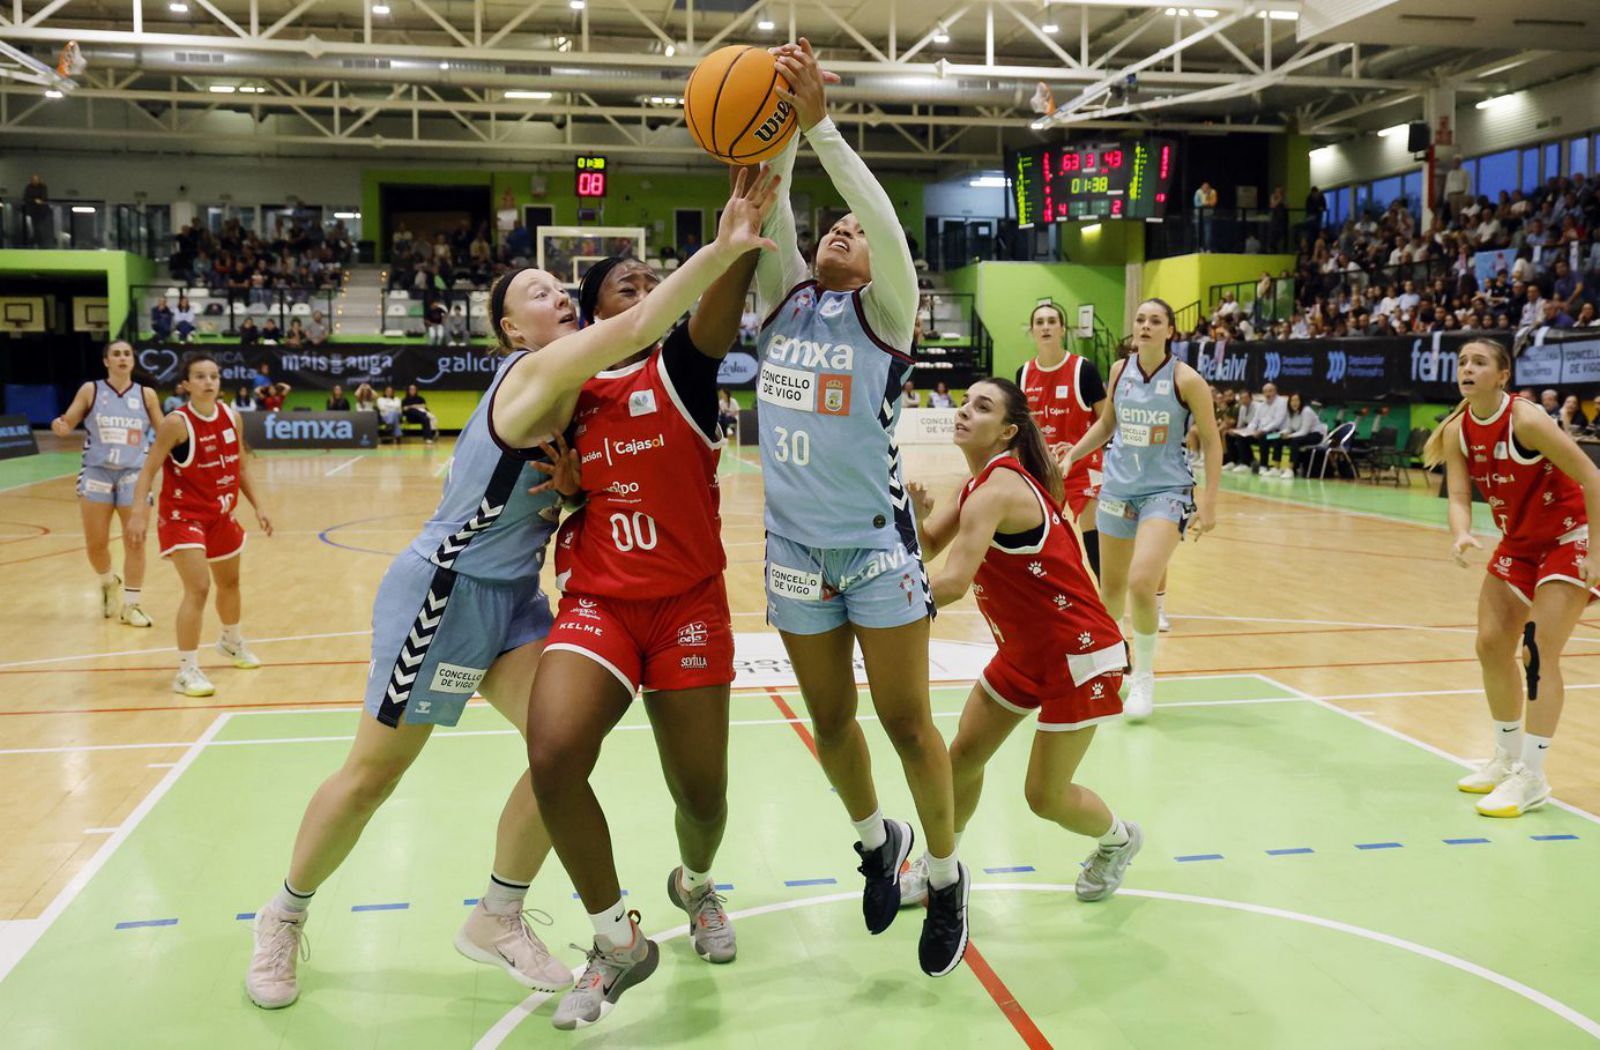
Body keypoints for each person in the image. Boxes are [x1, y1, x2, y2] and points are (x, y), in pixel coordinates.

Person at [239, 168, 780, 1015]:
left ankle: (497, 913)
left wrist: (574, 493)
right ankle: (283, 913)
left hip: (514, 601)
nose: (558, 297)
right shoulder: (532, 375)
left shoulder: (574, 397)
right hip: (445, 596)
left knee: (558, 750)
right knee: (375, 775)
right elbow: (640, 320)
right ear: (507, 327)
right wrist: (722, 250)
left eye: (563, 291)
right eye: (539, 291)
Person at [755, 38, 967, 979]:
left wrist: (824, 126)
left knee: (908, 722)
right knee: (831, 724)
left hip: (878, 550)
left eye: (853, 229)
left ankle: (949, 874)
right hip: (795, 551)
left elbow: (881, 218)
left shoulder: (887, 313)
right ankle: (877, 841)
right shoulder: (783, 302)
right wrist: (782, 135)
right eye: (828, 227)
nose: (841, 231)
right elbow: (770, 219)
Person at [526, 244, 757, 1029]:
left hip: (688, 605)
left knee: (703, 796)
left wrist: (744, 237)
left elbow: (718, 311)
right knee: (553, 754)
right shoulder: (565, 389)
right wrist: (563, 497)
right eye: (630, 285)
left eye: (654, 284)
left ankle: (694, 884)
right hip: (600, 602)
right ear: (592, 311)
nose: (649, 291)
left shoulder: (683, 367)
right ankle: (614, 936)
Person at [899, 378, 1140, 907]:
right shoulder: (979, 487)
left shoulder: (1000, 490)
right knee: (961, 758)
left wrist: (874, 611)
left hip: (1079, 655)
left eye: (981, 406)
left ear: (1007, 431)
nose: (964, 410)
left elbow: (952, 583)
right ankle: (941, 868)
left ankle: (1118, 840)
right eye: (964, 401)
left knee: (1044, 798)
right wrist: (914, 521)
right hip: (1025, 653)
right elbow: (928, 549)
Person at [1424, 338, 1600, 817]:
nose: (1467, 368)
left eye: (1479, 362)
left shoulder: (1525, 418)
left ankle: (1532, 776)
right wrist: (1460, 534)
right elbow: (1458, 495)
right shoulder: (1460, 428)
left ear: (1502, 376)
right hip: (1520, 545)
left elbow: (1592, 477)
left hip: (1570, 537)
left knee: (1537, 653)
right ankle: (1505, 756)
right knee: (1489, 645)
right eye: (1462, 362)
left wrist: (1598, 554)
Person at [1066, 298, 1221, 721]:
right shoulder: (1120, 371)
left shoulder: (1186, 380)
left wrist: (1208, 504)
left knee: (1140, 583)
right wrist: (1071, 456)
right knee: (1110, 591)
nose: (1146, 326)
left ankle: (1145, 677)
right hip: (1119, 487)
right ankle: (1111, 667)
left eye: (1155, 321)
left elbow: (1211, 439)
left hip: (1166, 491)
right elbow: (1106, 424)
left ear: (1170, 330)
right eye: (1140, 319)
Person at [127, 354, 271, 697]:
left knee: (230, 582)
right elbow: (148, 469)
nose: (209, 382)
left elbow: (241, 468)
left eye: (214, 376)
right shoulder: (176, 423)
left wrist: (259, 506)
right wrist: (137, 511)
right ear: (186, 384)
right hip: (183, 517)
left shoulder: (232, 417)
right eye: (200, 377)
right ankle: (186, 670)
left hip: (221, 514)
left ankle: (231, 642)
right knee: (199, 588)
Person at [49, 340, 163, 628]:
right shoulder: (91, 390)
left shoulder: (146, 395)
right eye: (116, 354)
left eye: (127, 354)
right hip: (97, 472)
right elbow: (68, 420)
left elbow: (164, 430)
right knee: (96, 545)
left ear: (133, 361)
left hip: (134, 473)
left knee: (135, 541)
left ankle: (132, 605)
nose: (123, 358)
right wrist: (60, 426)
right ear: (106, 361)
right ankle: (108, 581)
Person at [1016, 301, 1107, 575]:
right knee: (1043, 539)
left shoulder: (1084, 370)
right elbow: (1021, 428)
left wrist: (1074, 451)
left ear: (1062, 329)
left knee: (1093, 530)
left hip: (1083, 465)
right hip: (1043, 468)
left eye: (1051, 321)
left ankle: (1110, 606)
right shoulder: (1023, 374)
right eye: (1040, 322)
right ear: (1031, 330)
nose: (1045, 326)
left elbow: (1106, 421)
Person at [1277, 393, 1327, 477]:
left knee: (1295, 441)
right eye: (1292, 400)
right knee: (1278, 440)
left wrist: (1289, 436)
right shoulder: (1290, 412)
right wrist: (1281, 433)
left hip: (1316, 435)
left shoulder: (1306, 411)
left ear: (1301, 401)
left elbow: (1304, 431)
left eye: (1297, 400)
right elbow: (1289, 429)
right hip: (1301, 434)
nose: (1294, 403)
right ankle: (1276, 468)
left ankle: (1290, 470)